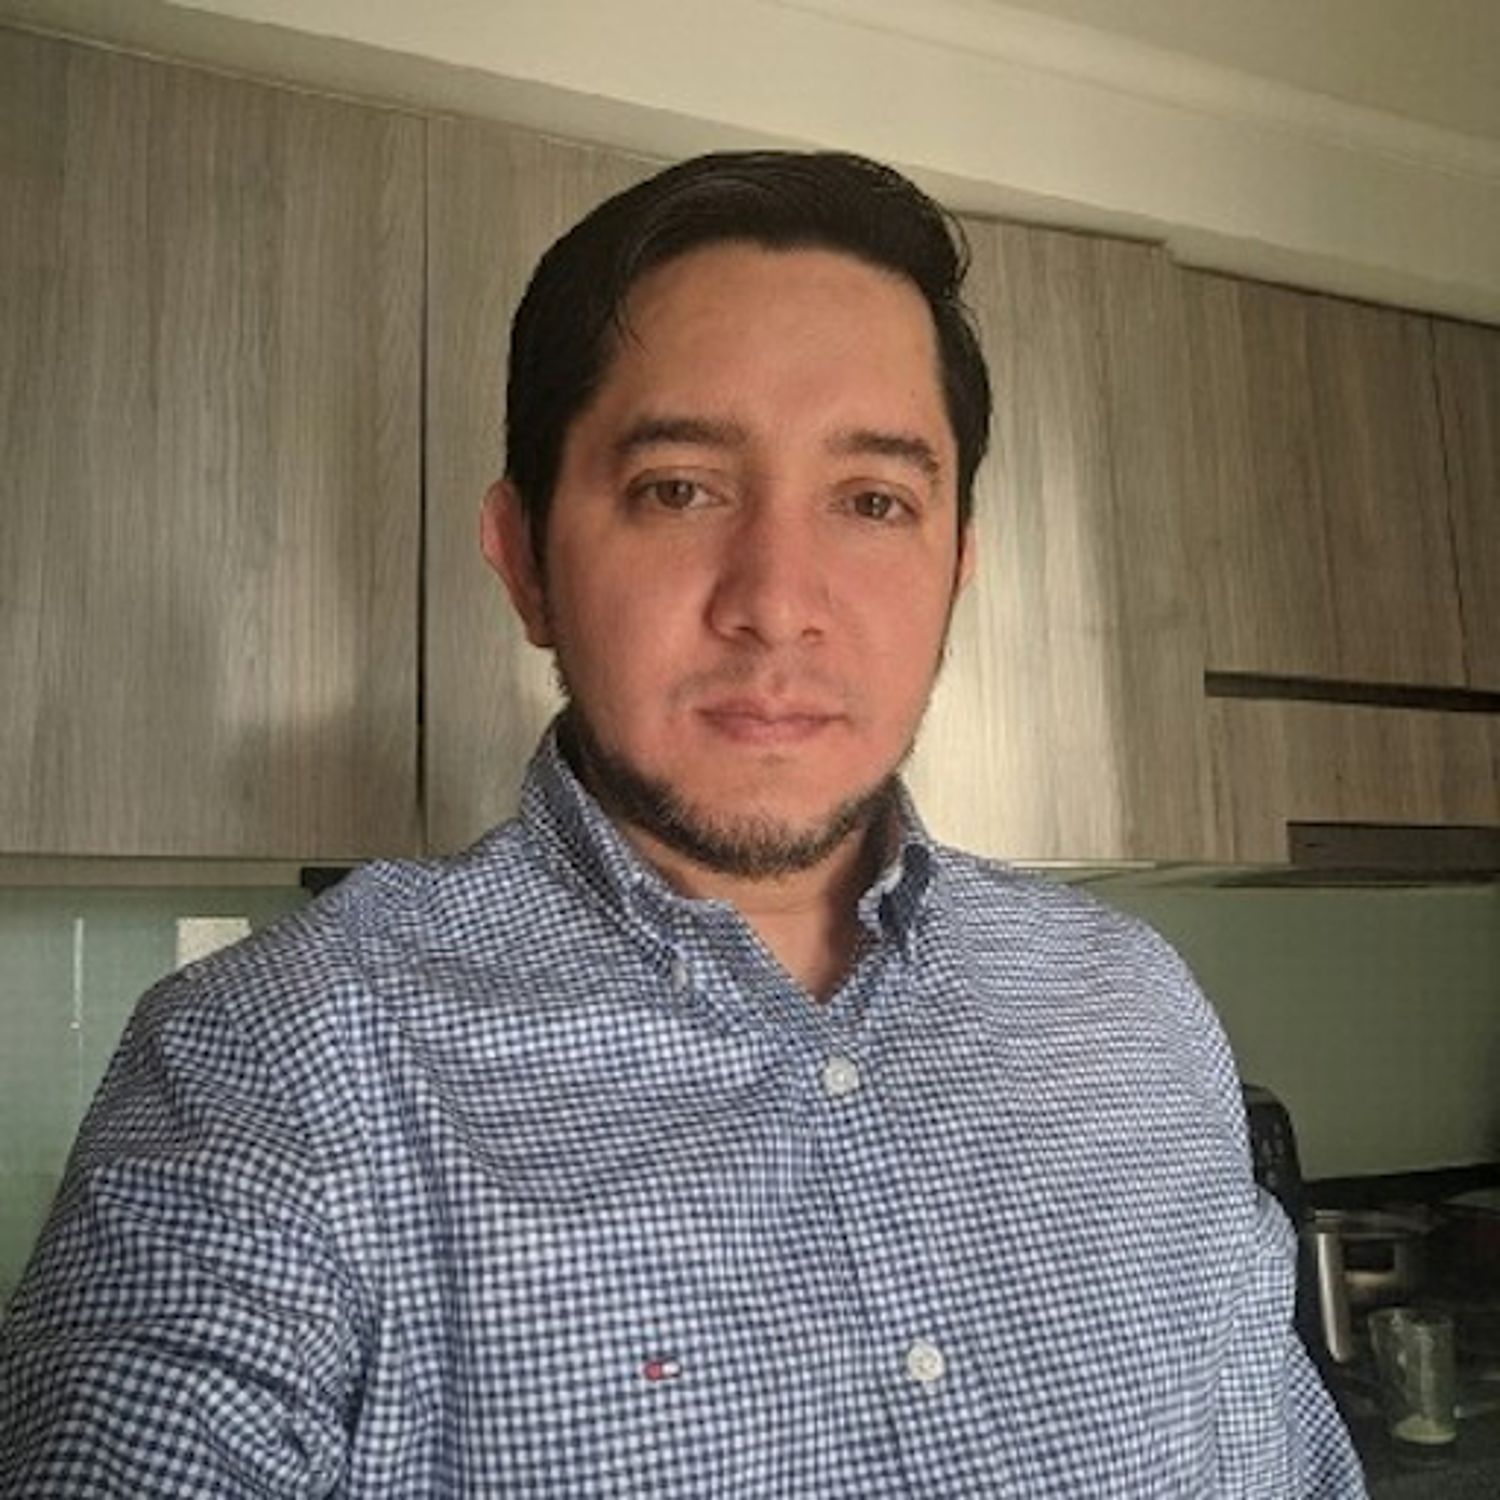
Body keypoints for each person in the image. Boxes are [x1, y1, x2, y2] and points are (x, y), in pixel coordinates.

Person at [0, 151, 1364, 1497]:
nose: (777, 601)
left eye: (873, 501)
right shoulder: (276, 1068)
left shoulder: (1136, 1009)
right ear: (526, 560)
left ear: (957, 566)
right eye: (678, 488)